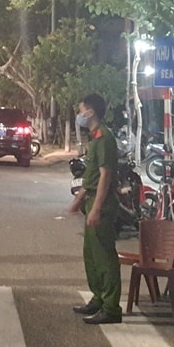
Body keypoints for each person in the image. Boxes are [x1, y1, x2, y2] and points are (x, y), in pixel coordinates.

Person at [69, 93, 122, 324]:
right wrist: (78, 201)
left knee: (104, 256)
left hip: (103, 203)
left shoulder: (104, 137)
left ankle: (111, 308)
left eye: (81, 110)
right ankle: (99, 298)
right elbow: (90, 176)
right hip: (91, 200)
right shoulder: (95, 138)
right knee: (91, 255)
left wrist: (96, 208)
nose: (79, 115)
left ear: (90, 112)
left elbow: (105, 176)